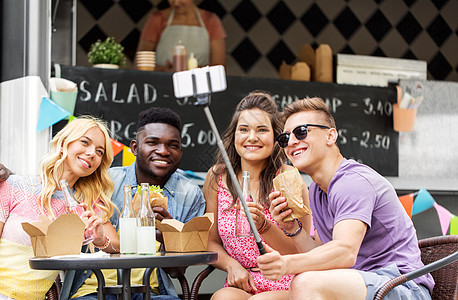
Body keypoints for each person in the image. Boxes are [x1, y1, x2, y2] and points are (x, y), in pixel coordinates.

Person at [257, 98, 434, 299]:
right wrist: (293, 229)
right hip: (360, 282)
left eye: (301, 132)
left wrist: (287, 264)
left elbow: (345, 252)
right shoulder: (316, 189)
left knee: (304, 282)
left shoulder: (352, 181)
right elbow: (323, 253)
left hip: (401, 286)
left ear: (331, 136)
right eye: (285, 138)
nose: (292, 142)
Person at [68, 107, 206, 299]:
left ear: (180, 152)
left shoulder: (190, 195)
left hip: (152, 291)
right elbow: (63, 182)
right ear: (134, 147)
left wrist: (169, 236)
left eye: (172, 145)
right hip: (95, 288)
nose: (163, 151)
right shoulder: (106, 181)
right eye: (152, 143)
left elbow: (177, 272)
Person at [203, 91, 311, 300]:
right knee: (222, 298)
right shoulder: (217, 177)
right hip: (244, 280)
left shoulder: (288, 178)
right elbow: (210, 241)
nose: (252, 137)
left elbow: (302, 251)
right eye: (244, 130)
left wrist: (264, 226)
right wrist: (231, 265)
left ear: (275, 136)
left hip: (288, 281)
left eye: (262, 130)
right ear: (234, 135)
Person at [0, 117, 118, 300]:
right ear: (64, 144)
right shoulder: (13, 186)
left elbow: (117, 246)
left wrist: (101, 239)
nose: (91, 153)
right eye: (85, 142)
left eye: (99, 152)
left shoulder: (87, 205)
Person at [137, 0, 226, 71]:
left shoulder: (211, 21)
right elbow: (141, 65)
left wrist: (191, 70)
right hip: (163, 83)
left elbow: (219, 67)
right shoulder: (156, 19)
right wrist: (164, 70)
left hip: (199, 85)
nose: (176, 2)